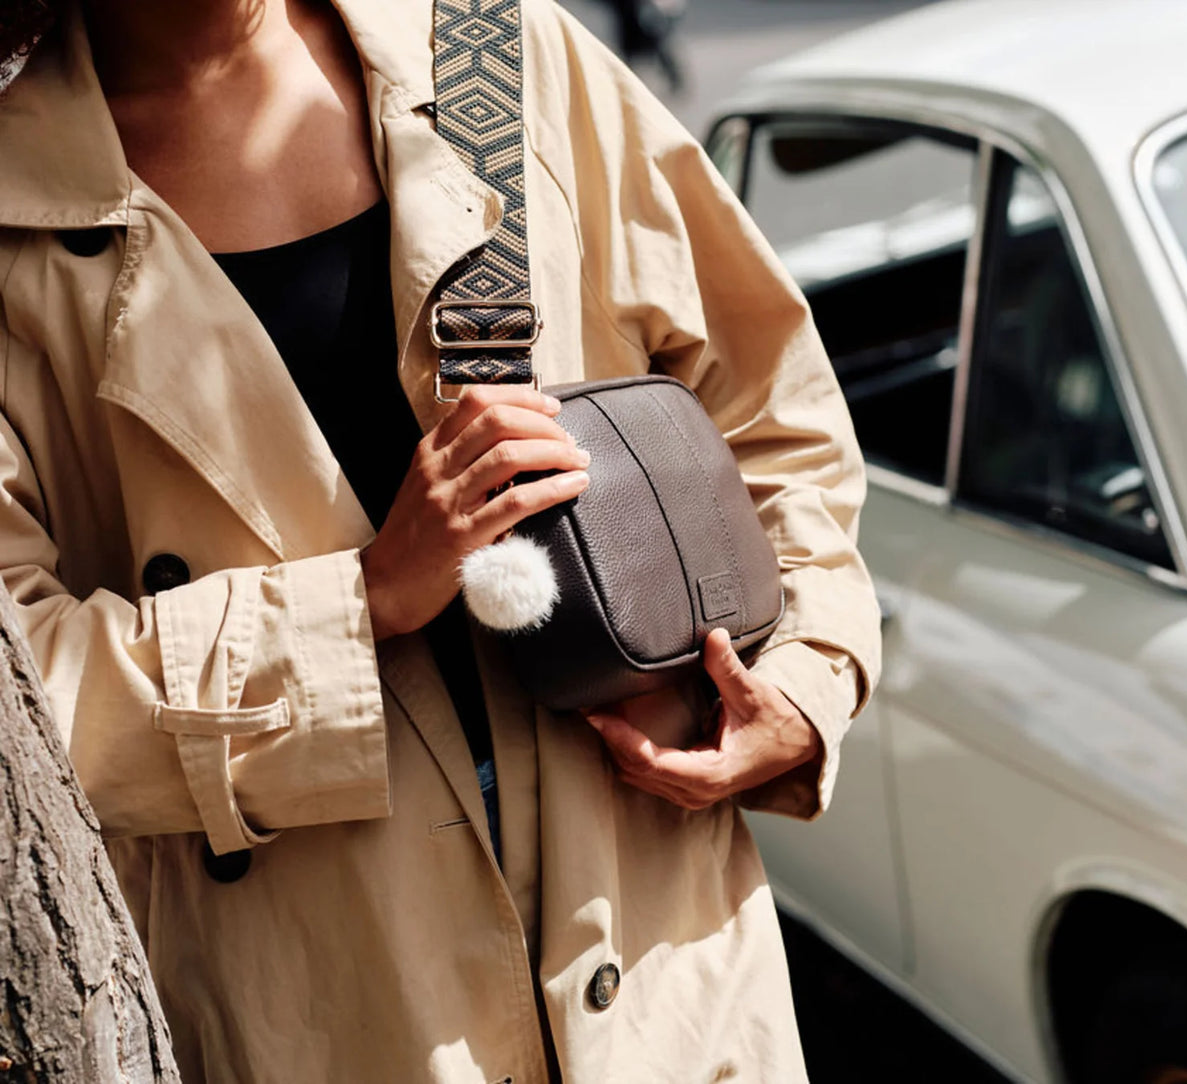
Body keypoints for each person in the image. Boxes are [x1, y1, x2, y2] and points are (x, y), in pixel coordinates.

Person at [0, 0, 880, 1081]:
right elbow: (26, 695)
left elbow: (771, 413)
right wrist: (362, 599)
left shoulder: (490, 49)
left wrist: (803, 678)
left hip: (669, 984)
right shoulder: (15, 200)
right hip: (326, 1014)